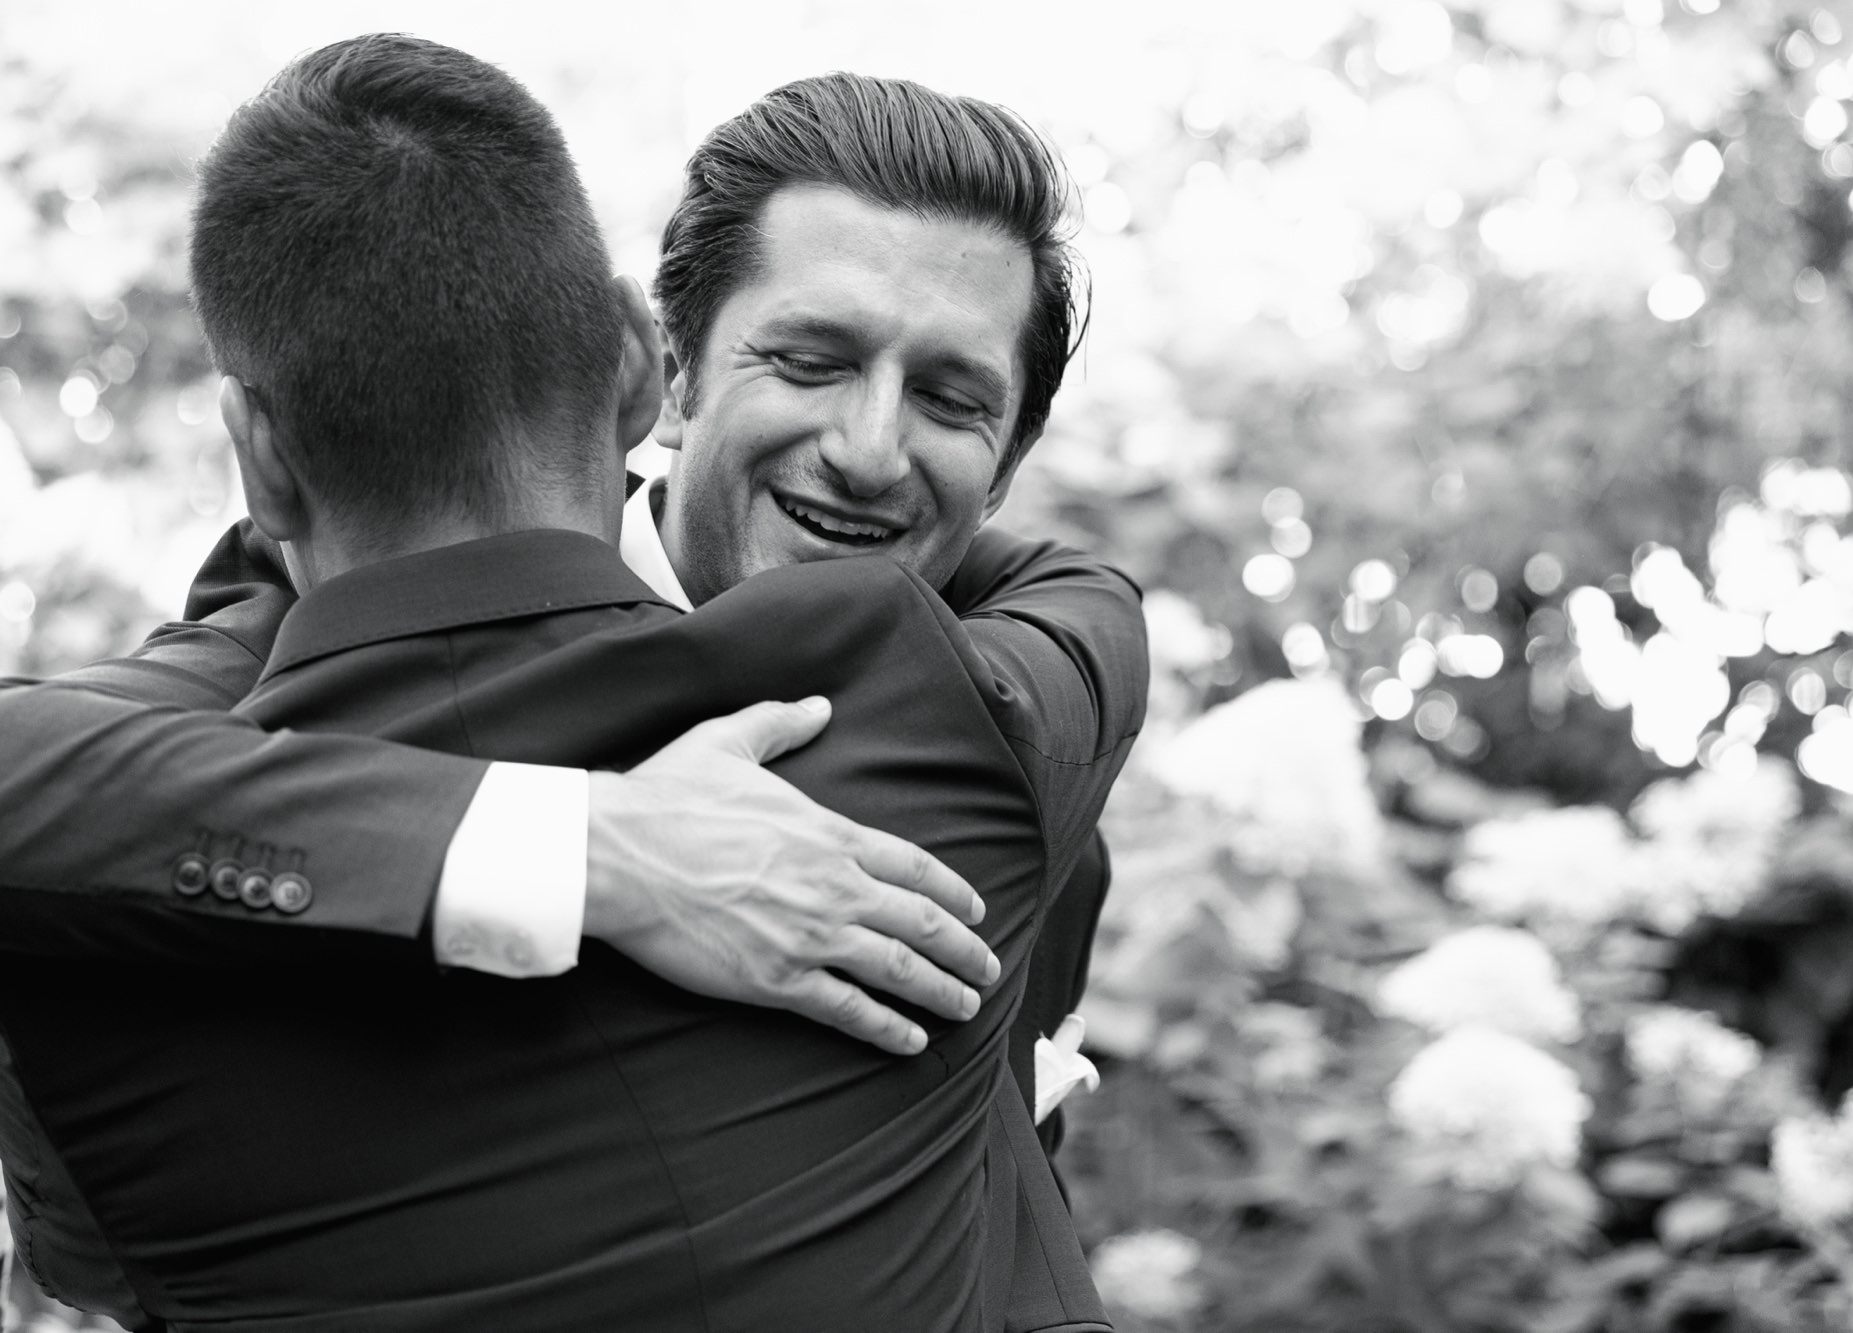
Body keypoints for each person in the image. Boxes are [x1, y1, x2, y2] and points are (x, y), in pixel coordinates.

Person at [0, 37, 1143, 1332]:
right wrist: (591, 847)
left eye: (948, 399)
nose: (870, 450)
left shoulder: (1003, 739)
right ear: (665, 367)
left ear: (1009, 457)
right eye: (811, 360)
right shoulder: (269, 664)